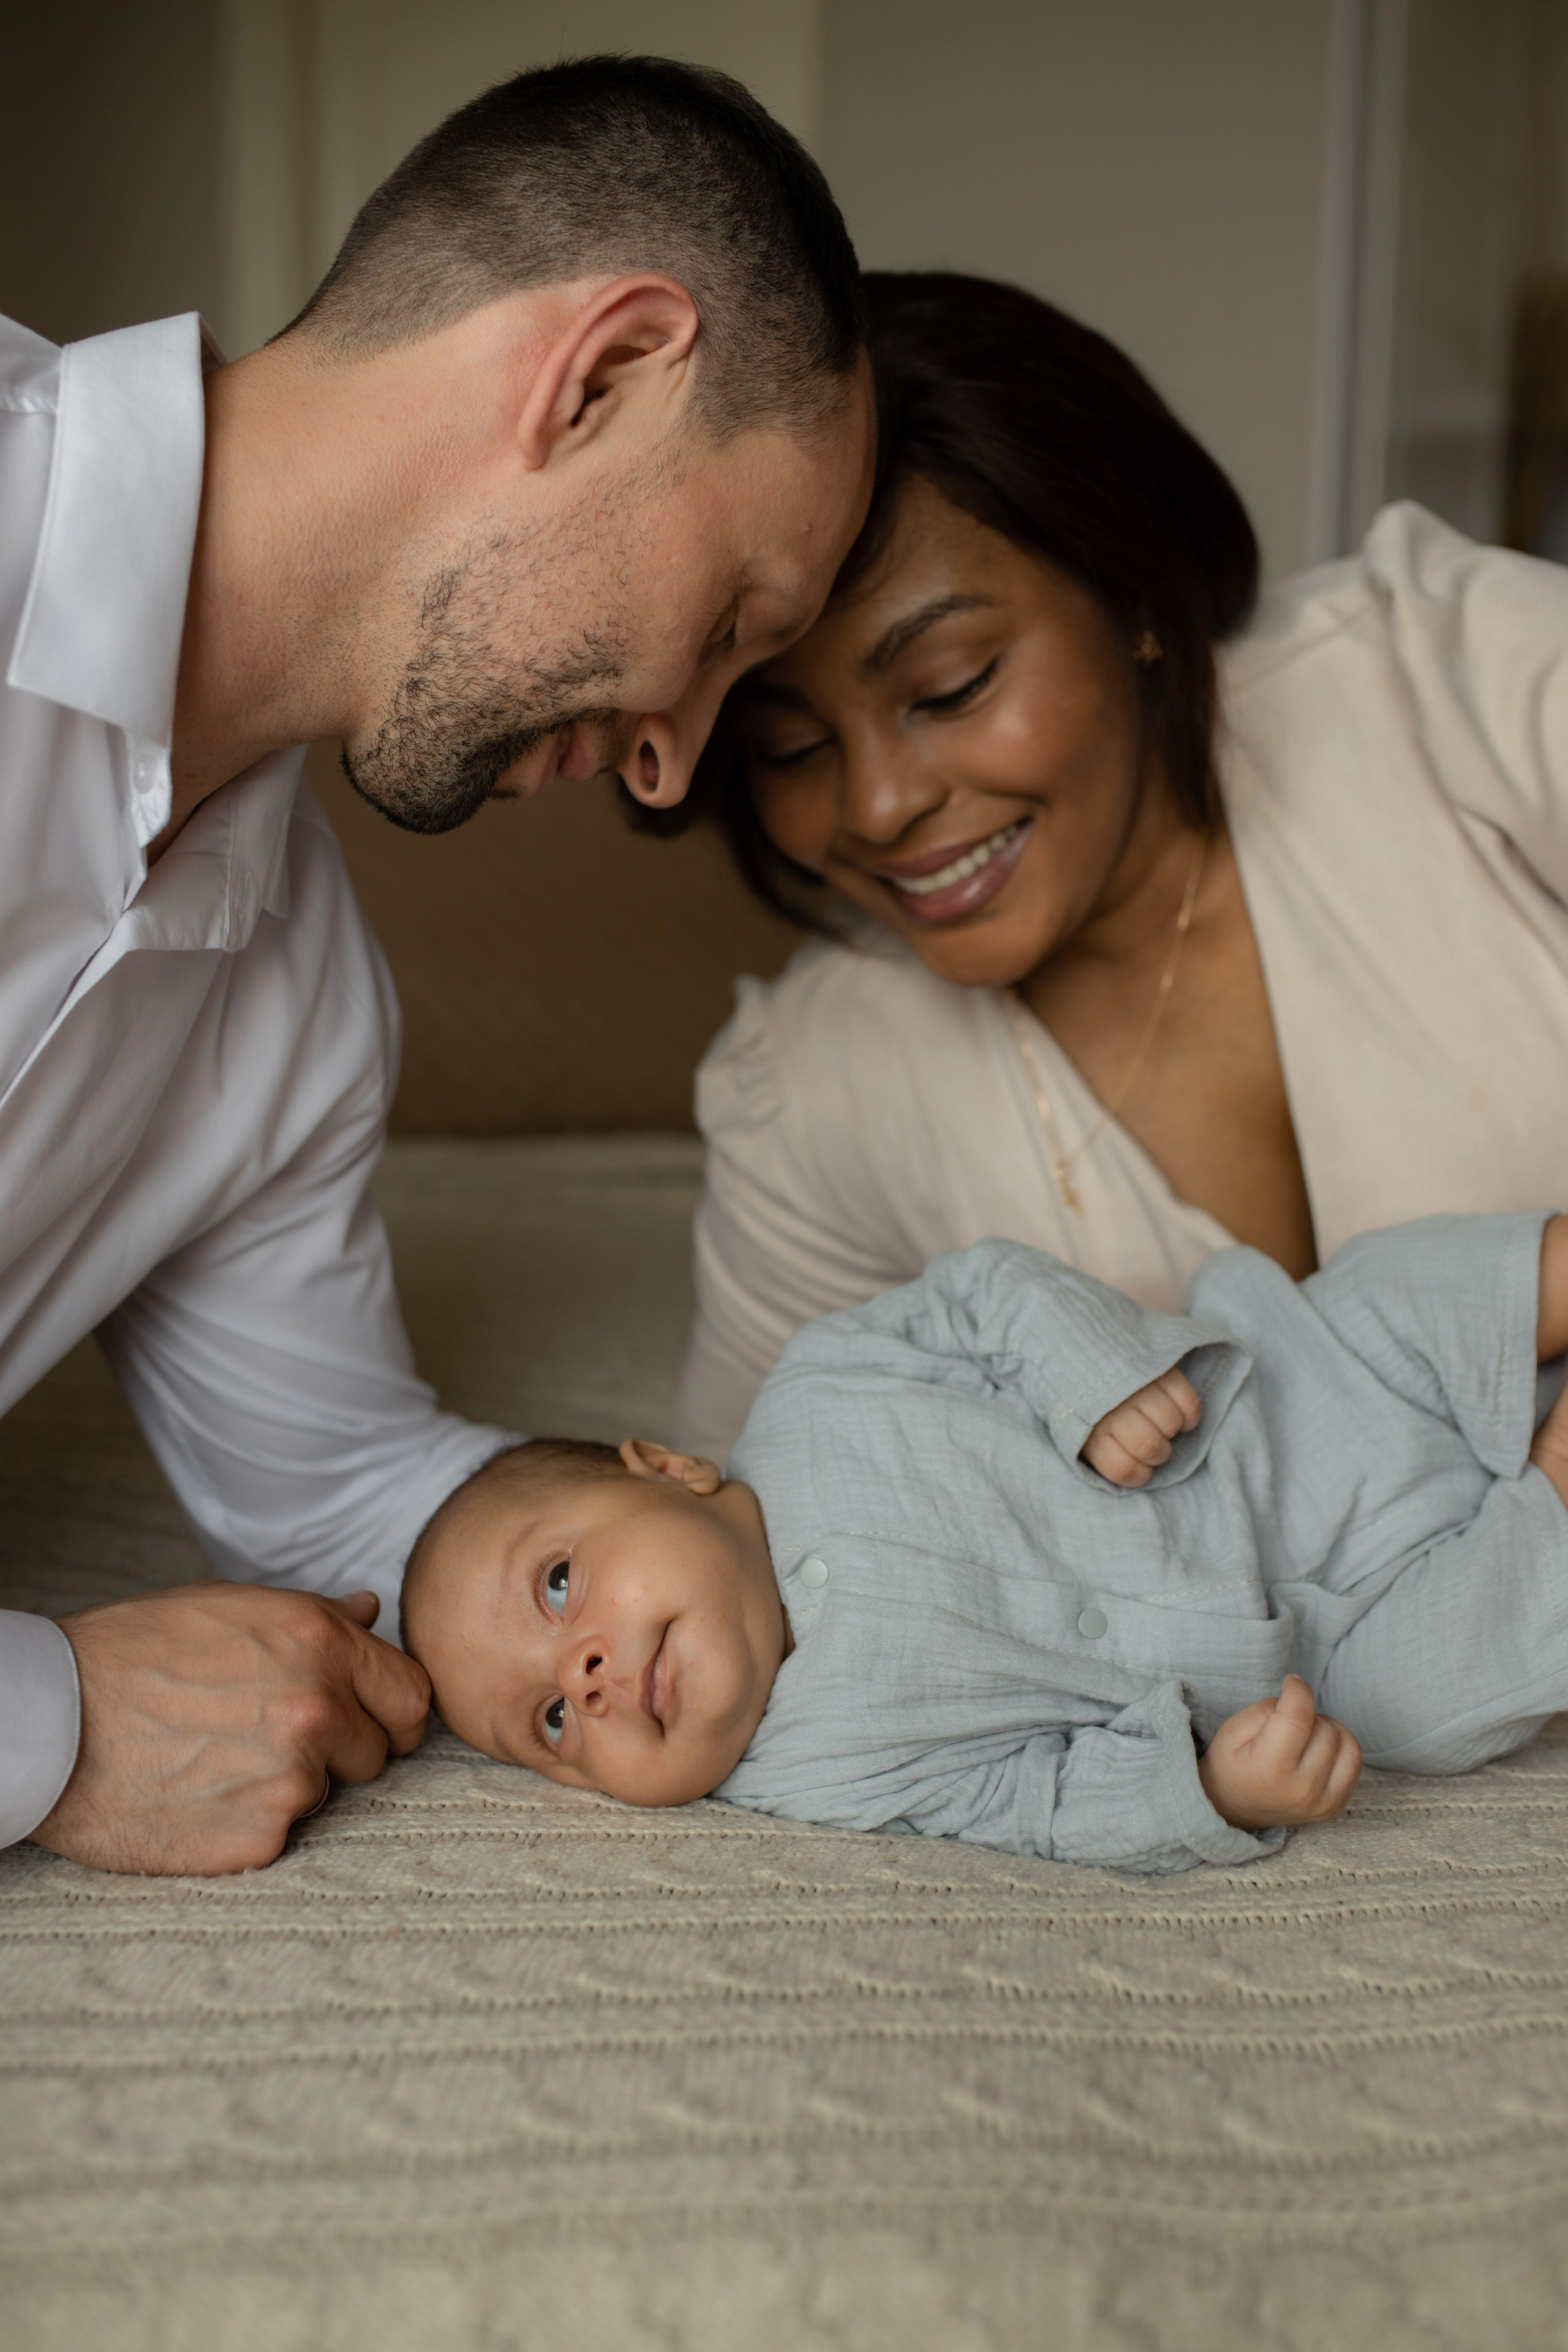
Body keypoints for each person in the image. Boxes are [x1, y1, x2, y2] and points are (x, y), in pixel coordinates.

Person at [0, 56, 873, 1875]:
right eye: (729, 626)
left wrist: (849, 1542)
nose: (671, 762)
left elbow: (343, 1493)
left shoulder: (300, 1009)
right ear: (607, 374)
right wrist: (51, 1729)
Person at [638, 272, 1568, 1464]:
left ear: (1129, 588)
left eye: (951, 687)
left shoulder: (1458, 681)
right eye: (791, 746)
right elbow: (756, 1538)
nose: (877, 805)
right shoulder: (816, 1102)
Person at [401, 1208, 1568, 1874]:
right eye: (551, 1724)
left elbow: (978, 1298)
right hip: (1320, 1651)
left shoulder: (820, 1384)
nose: (587, 1676)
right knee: (1430, 1705)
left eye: (560, 1586)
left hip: (1275, 1425)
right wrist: (1209, 1786)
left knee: (1397, 1303)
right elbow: (1038, 1804)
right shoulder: (817, 1778)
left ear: (667, 1466)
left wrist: (1092, 1384)